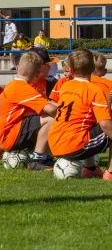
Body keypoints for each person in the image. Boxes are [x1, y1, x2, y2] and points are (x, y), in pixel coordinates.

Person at [47, 50, 112, 179]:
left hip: (54, 144)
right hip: (74, 145)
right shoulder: (94, 90)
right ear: (92, 69)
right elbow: (105, 124)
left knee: (84, 124)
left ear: (70, 70)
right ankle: (110, 173)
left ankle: (91, 168)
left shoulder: (65, 86)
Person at [0, 52, 58, 170]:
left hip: (5, 135)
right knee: (51, 119)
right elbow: (51, 110)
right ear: (37, 74)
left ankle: (46, 157)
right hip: (10, 136)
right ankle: (38, 160)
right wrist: (68, 116)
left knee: (45, 116)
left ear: (18, 68)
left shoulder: (13, 85)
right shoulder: (22, 88)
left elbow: (2, 120)